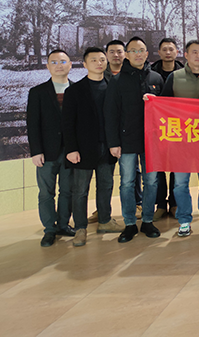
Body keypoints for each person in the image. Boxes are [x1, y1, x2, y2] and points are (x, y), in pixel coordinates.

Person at [105, 37, 164, 243]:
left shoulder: (156, 78)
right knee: (127, 182)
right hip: (126, 140)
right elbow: (110, 114)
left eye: (141, 50)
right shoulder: (117, 80)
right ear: (127, 55)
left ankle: (147, 220)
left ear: (147, 54)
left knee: (151, 181)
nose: (138, 54)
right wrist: (113, 143)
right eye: (133, 51)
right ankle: (129, 223)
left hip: (152, 141)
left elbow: (165, 110)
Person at [62, 47, 122, 247]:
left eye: (102, 59)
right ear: (85, 64)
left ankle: (105, 220)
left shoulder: (113, 86)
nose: (99, 63)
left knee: (106, 185)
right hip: (83, 148)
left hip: (108, 146)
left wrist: (116, 143)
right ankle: (80, 228)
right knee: (80, 190)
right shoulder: (74, 91)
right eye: (94, 60)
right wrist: (71, 149)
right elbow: (67, 123)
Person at [160, 40, 199, 237]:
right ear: (186, 55)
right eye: (194, 52)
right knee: (180, 183)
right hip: (180, 141)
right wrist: (151, 101)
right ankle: (184, 220)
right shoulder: (175, 77)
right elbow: (163, 105)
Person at [26, 49, 75, 247]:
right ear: (47, 66)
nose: (58, 65)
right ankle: (49, 229)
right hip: (46, 152)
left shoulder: (77, 90)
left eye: (63, 61)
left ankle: (63, 224)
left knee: (67, 190)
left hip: (71, 151)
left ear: (70, 64)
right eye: (54, 62)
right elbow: (33, 124)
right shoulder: (37, 92)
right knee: (46, 192)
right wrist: (36, 151)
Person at [151, 37, 183, 220]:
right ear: (159, 52)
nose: (168, 52)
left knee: (176, 166)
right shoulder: (151, 74)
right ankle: (161, 205)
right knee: (158, 167)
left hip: (178, 127)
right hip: (156, 128)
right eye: (164, 49)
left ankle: (175, 203)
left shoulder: (183, 73)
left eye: (171, 49)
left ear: (177, 52)